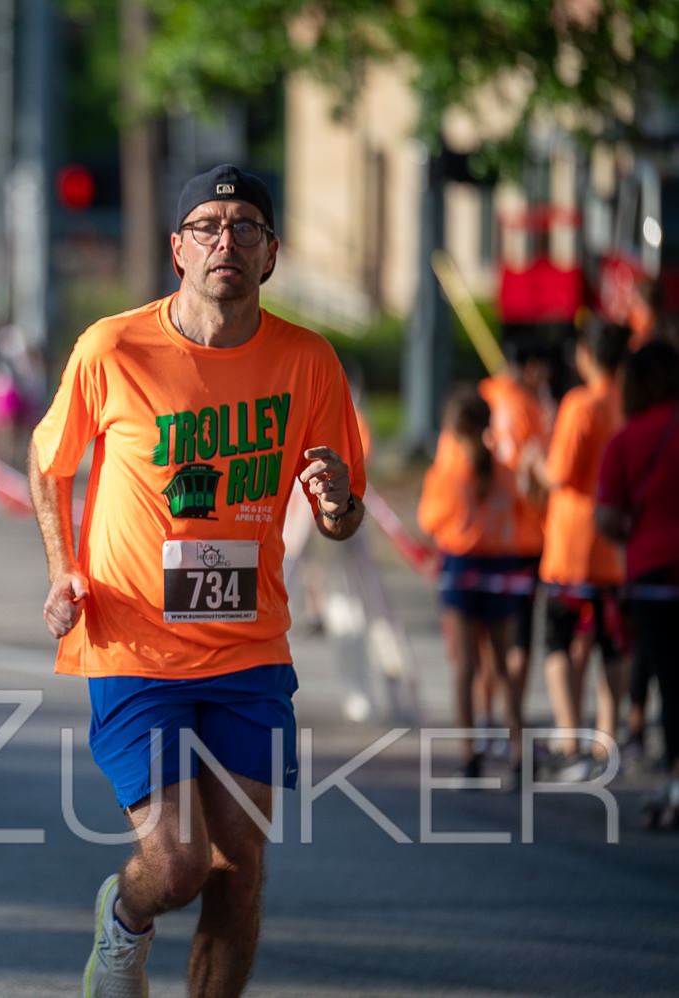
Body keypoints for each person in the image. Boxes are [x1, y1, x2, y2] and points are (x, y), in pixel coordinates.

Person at [29, 164, 365, 998]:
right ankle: (126, 917)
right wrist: (63, 567)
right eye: (209, 227)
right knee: (178, 863)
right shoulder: (113, 347)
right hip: (135, 642)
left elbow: (343, 514)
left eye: (246, 227)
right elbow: (49, 463)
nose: (227, 241)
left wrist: (337, 503)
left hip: (250, 650)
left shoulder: (308, 360)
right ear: (177, 249)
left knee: (239, 866)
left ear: (272, 254)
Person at [528, 320, 629, 779]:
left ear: (587, 353)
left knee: (557, 644)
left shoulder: (580, 404)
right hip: (615, 547)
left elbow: (561, 472)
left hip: (571, 546)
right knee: (612, 645)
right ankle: (608, 738)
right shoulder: (628, 403)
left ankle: (571, 738)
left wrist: (533, 459)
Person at [418, 385, 526, 784]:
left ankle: (470, 754)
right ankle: (518, 751)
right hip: (501, 566)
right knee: (502, 664)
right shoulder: (504, 471)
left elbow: (429, 521)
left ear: (452, 429)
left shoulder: (448, 475)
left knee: (466, 665)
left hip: (461, 567)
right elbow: (521, 510)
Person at [596, 339, 679, 826]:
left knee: (670, 682)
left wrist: (635, 528)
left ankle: (673, 783)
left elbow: (607, 516)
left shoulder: (627, 440)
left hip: (652, 574)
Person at [469, 337, 552, 759]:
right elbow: (533, 477)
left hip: (480, 538)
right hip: (522, 538)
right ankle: (511, 727)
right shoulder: (528, 408)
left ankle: (484, 722)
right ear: (533, 367)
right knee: (515, 642)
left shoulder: (483, 396)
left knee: (482, 644)